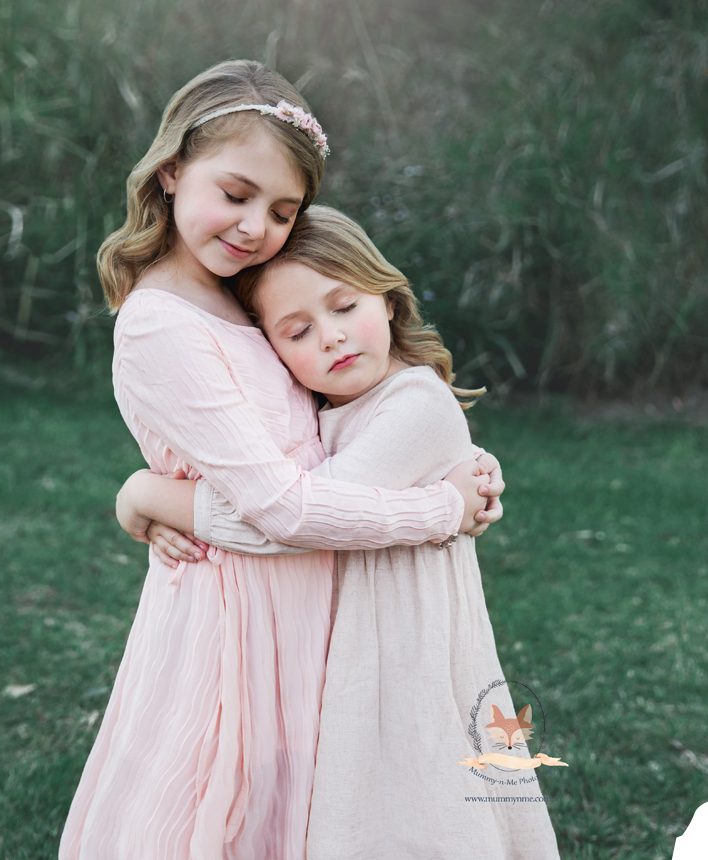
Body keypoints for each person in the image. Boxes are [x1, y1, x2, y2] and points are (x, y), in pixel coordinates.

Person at [59, 59, 504, 860]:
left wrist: (450, 460)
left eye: (282, 209)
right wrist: (440, 509)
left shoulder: (242, 292)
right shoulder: (164, 325)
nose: (254, 225)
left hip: (308, 606)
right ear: (170, 171)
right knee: (218, 814)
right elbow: (285, 508)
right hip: (237, 621)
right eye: (235, 195)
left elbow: (333, 433)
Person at [118, 206, 560, 859]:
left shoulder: (414, 404)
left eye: (345, 306)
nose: (331, 337)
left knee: (417, 812)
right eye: (298, 331)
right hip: (355, 646)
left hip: (405, 660)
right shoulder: (335, 411)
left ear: (387, 300)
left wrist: (147, 494)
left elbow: (292, 522)